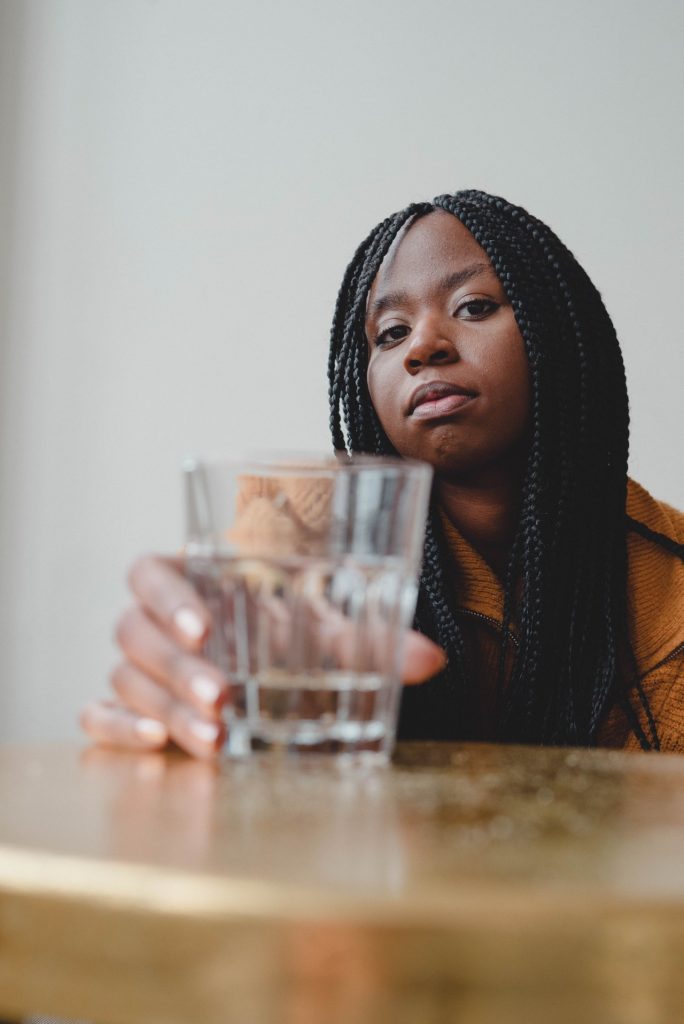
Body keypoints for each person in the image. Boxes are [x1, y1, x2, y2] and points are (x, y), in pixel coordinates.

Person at [81, 190, 684, 756]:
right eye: (391, 334)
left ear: (555, 331)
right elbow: (230, 667)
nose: (423, 346)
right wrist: (193, 701)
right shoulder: (305, 543)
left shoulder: (671, 575)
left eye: (473, 306)